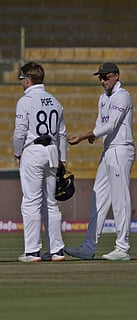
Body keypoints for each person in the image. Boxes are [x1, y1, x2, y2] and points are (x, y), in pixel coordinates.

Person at [64, 62, 135, 261]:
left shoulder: (123, 96)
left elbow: (112, 124)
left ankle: (123, 247)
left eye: (105, 77)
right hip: (108, 151)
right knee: (98, 198)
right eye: (100, 77)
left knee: (120, 199)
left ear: (116, 76)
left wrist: (86, 135)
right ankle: (88, 246)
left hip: (121, 150)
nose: (102, 81)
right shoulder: (103, 98)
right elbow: (101, 123)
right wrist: (93, 135)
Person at [13, 61, 67, 262]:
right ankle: (57, 250)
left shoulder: (25, 101)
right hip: (52, 151)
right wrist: (63, 158)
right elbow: (62, 132)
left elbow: (20, 131)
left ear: (27, 80)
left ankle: (32, 251)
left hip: (33, 150)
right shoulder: (54, 100)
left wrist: (17, 152)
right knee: (51, 203)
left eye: (22, 80)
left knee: (31, 201)